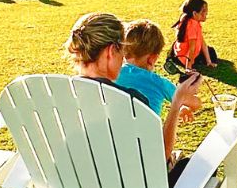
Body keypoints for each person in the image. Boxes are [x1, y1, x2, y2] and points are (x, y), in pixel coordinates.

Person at [67, 13, 201, 174]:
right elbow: (160, 157)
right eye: (122, 52)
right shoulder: (132, 101)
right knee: (196, 165)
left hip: (77, 185)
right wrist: (177, 103)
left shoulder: (59, 94)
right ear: (111, 52)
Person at [117, 18, 182, 112]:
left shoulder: (112, 74)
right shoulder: (158, 82)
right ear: (152, 59)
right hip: (149, 126)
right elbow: (191, 102)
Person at [171, 0, 217, 73]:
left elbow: (202, 42)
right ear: (195, 13)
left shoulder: (191, 21)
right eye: (203, 11)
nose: (206, 13)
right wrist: (188, 67)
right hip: (184, 57)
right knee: (211, 52)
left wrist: (208, 61)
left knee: (210, 51)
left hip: (178, 53)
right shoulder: (192, 26)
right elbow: (191, 48)